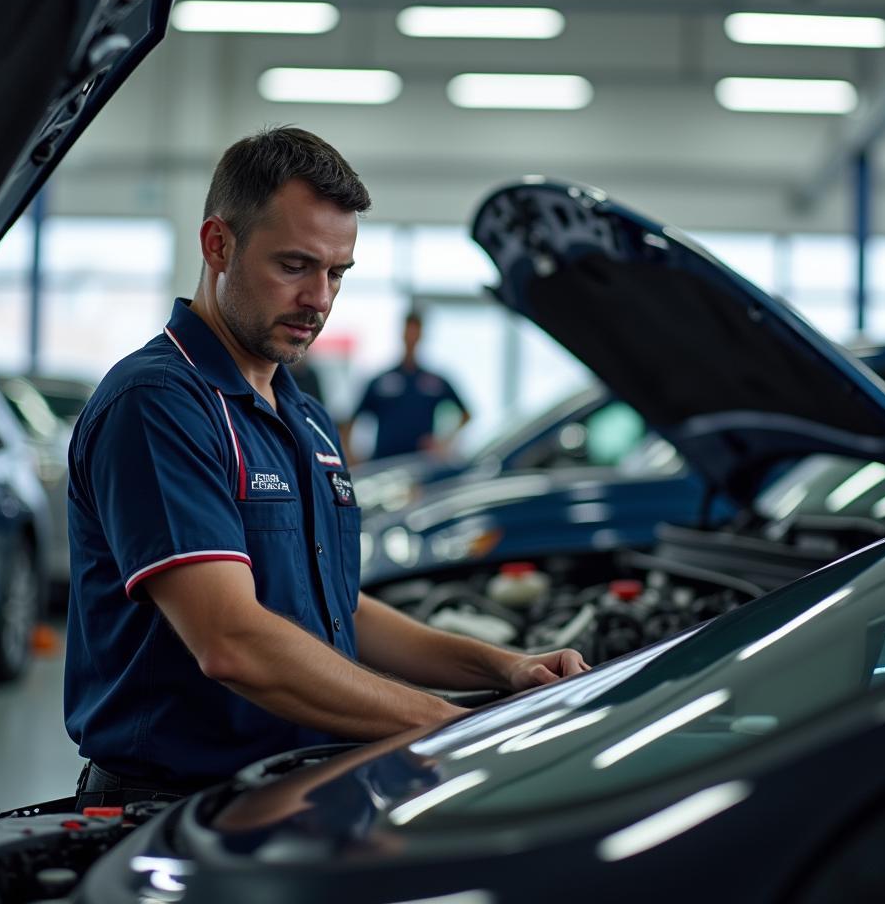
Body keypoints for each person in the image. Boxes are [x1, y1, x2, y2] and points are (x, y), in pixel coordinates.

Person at [64, 126, 588, 809]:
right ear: (217, 245)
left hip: (298, 793)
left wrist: (499, 667)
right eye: (294, 265)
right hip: (175, 812)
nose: (320, 298)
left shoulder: (300, 413)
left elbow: (335, 610)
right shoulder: (161, 403)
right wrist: (449, 728)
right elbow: (232, 640)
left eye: (337, 273)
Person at [346, 311, 471, 461]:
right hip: (383, 461)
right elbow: (351, 420)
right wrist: (351, 455)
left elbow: (466, 414)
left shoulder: (433, 382)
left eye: (415, 332)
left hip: (420, 463)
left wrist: (443, 443)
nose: (412, 337)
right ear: (402, 333)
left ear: (421, 335)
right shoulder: (382, 381)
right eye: (409, 331)